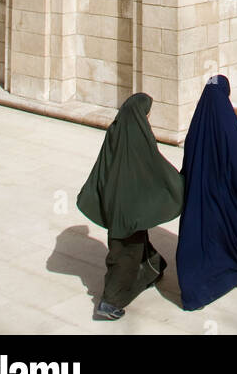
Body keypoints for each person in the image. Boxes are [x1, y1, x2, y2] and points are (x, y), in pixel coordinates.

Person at [76, 92, 185, 321]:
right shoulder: (140, 135)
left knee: (133, 244)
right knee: (125, 255)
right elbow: (155, 166)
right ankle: (110, 301)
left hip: (115, 201)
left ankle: (153, 268)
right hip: (130, 208)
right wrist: (178, 184)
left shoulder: (116, 129)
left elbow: (104, 163)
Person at [176, 75, 237, 310]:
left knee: (199, 237)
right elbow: (236, 158)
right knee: (232, 232)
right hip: (223, 195)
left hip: (199, 193)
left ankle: (195, 292)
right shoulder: (227, 123)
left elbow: (189, 159)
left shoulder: (198, 123)